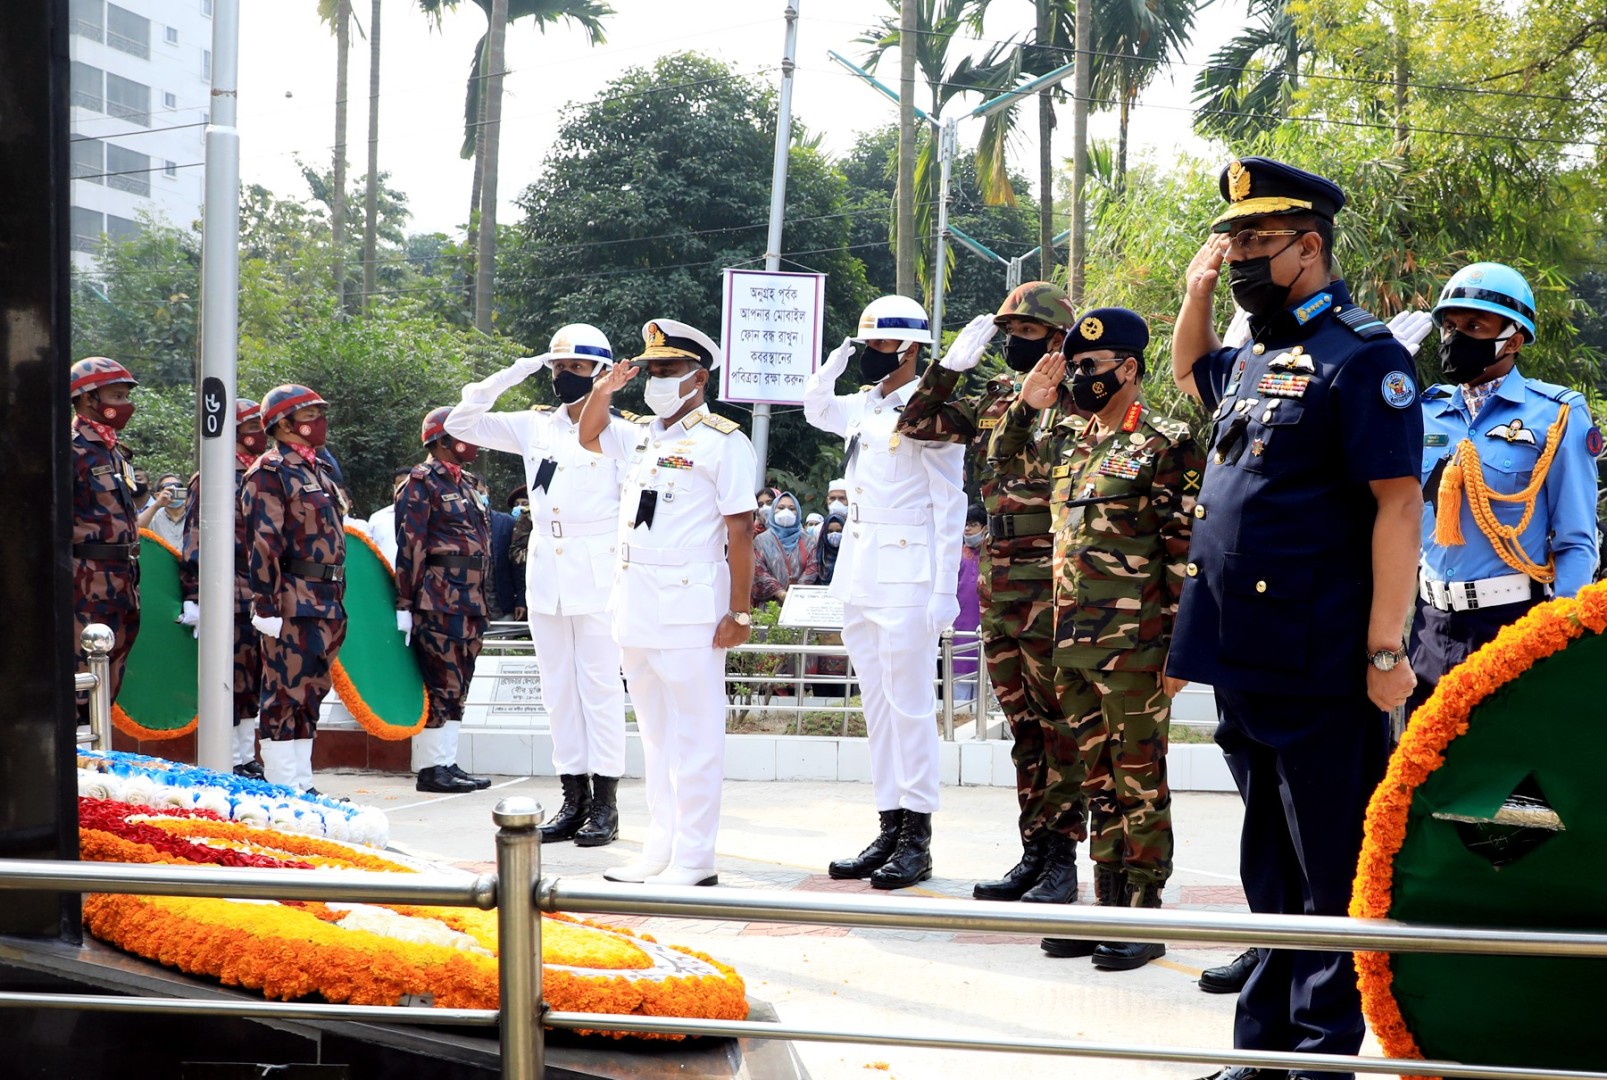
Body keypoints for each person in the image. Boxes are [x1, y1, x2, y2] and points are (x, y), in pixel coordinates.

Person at [1169, 157, 1422, 1080]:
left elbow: (1398, 505)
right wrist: (1197, 292)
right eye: (1230, 240)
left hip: (1319, 656)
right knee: (1266, 865)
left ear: (1307, 248)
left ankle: (1322, 1058)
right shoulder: (1258, 356)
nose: (1236, 256)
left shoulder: (1365, 358)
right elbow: (1189, 369)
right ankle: (1260, 1049)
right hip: (1241, 653)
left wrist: (1385, 646)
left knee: (1329, 867)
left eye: (1253, 242)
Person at [993, 307, 1202, 969]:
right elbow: (1003, 468)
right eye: (1074, 366)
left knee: (1139, 780)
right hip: (1072, 645)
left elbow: (1184, 552)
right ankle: (1107, 906)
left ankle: (1142, 915)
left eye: (1089, 367)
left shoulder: (1166, 442)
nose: (1077, 377)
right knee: (1096, 781)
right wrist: (1027, 407)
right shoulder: (1072, 442)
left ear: (1128, 368)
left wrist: (1178, 648)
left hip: (1136, 646)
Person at [898, 280, 1089, 907]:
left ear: (1059, 338)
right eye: (1007, 335)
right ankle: (1034, 851)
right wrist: (948, 370)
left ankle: (1061, 857)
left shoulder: (1086, 400)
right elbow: (916, 423)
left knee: (1059, 725)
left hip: (1052, 574)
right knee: (1022, 726)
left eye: (1026, 335)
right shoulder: (997, 396)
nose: (1013, 345)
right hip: (999, 571)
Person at [579, 318, 757, 886]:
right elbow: (588, 436)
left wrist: (741, 612)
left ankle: (695, 858)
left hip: (690, 607)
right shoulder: (641, 434)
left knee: (697, 736)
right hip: (635, 602)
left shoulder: (724, 441)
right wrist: (602, 392)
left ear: (698, 377)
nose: (655, 378)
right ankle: (660, 846)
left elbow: (741, 530)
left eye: (667, 369)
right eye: (651, 369)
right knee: (655, 736)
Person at [445, 323, 636, 846]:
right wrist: (516, 371)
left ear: (601, 372)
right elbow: (462, 421)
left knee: (598, 689)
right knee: (557, 691)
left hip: (598, 570)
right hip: (547, 567)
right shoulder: (533, 427)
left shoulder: (622, 432)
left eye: (575, 368)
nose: (562, 377)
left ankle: (606, 805)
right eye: (557, 367)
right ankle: (572, 798)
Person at [803, 294, 966, 890]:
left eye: (879, 347)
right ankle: (889, 824)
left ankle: (917, 837)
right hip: (861, 571)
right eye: (867, 345)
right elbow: (812, 404)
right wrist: (840, 355)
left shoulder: (931, 410)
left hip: (909, 573)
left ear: (910, 349)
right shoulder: (861, 405)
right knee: (876, 708)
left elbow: (951, 504)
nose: (872, 357)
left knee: (911, 708)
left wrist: (943, 589)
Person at [1411, 262, 1599, 709]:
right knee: (1428, 773)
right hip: (1429, 625)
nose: (1456, 336)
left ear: (1513, 340)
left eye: (1474, 325)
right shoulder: (1421, 413)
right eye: (1451, 326)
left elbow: (1576, 539)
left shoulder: (1556, 415)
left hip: (1510, 625)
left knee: (1518, 773)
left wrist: (1561, 633)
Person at [241, 383, 351, 795]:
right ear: (283, 424)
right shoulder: (270, 471)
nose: (319, 422)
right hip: (291, 599)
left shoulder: (316, 469)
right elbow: (264, 542)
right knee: (284, 694)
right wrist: (266, 606)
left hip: (326, 597)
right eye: (309, 415)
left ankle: (302, 784)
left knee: (311, 693)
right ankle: (281, 787)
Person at [391, 408, 495, 794]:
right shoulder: (421, 481)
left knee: (459, 683)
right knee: (439, 682)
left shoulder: (468, 483)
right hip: (437, 597)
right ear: (440, 440)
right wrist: (406, 601)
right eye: (462, 432)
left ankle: (447, 762)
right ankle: (432, 768)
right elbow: (411, 544)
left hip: (470, 598)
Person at [179, 398, 268, 777]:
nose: (259, 435)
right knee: (231, 678)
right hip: (227, 594)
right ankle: (229, 758)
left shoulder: (262, 474)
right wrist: (194, 595)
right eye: (252, 428)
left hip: (257, 593)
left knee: (254, 679)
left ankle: (247, 756)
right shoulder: (213, 476)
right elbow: (196, 541)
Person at [70, 357, 143, 721]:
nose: (125, 405)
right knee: (80, 681)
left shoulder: (114, 452)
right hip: (85, 586)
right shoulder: (70, 450)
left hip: (122, 581)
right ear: (86, 399)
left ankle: (99, 762)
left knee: (111, 679)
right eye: (116, 395)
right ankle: (75, 766)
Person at [752, 490, 818, 605]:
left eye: (792, 509)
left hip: (800, 603)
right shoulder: (761, 540)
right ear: (773, 511)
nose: (786, 512)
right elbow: (758, 570)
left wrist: (796, 593)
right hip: (769, 606)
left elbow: (812, 568)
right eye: (781, 508)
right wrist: (780, 593)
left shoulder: (809, 541)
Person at [951, 505, 986, 702]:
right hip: (960, 628)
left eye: (973, 524)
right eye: (965, 524)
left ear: (985, 527)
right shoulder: (955, 554)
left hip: (987, 625)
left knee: (989, 679)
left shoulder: (994, 553)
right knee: (960, 688)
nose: (967, 529)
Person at [366, 466, 411, 566]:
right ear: (394, 488)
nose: (404, 489)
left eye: (408, 484)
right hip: (383, 578)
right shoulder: (377, 518)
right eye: (400, 484)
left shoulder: (427, 516)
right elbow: (369, 553)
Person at [145, 475, 188, 550]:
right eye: (167, 486)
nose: (173, 489)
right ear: (157, 495)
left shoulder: (194, 515)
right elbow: (136, 530)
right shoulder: (152, 517)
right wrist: (157, 505)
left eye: (178, 486)